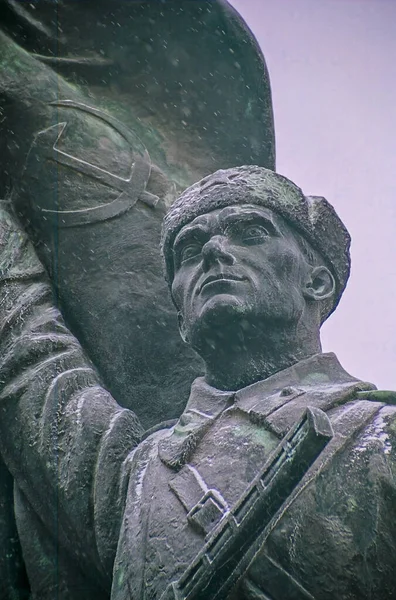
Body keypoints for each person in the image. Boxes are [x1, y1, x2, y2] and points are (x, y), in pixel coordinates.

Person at [0, 166, 395, 600]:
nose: (212, 250)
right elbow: (28, 358)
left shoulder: (383, 435)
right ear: (181, 315)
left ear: (316, 280)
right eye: (189, 250)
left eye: (250, 232)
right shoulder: (139, 473)